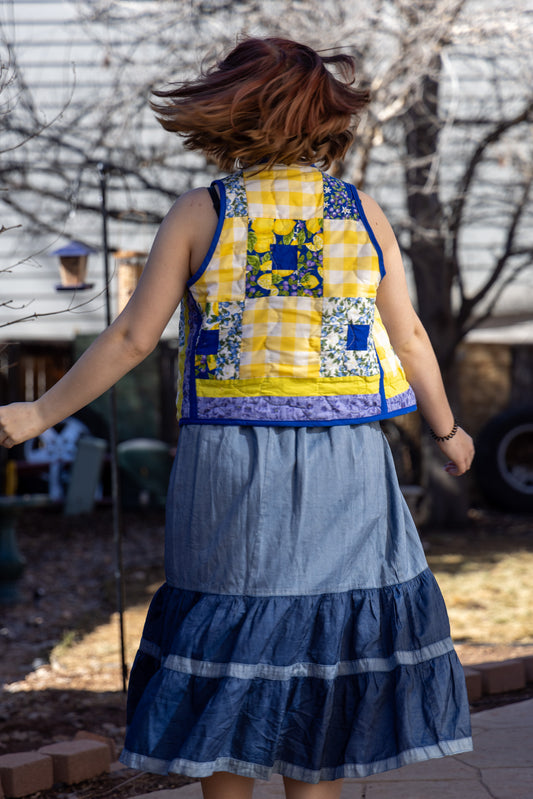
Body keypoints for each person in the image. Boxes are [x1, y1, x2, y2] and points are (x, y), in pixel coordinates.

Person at [0, 36, 474, 799]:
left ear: (229, 115)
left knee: (232, 644)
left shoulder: (201, 213)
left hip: (231, 459)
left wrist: (36, 412)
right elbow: (408, 335)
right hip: (344, 461)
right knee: (323, 649)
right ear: (326, 120)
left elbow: (129, 338)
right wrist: (447, 430)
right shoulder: (361, 213)